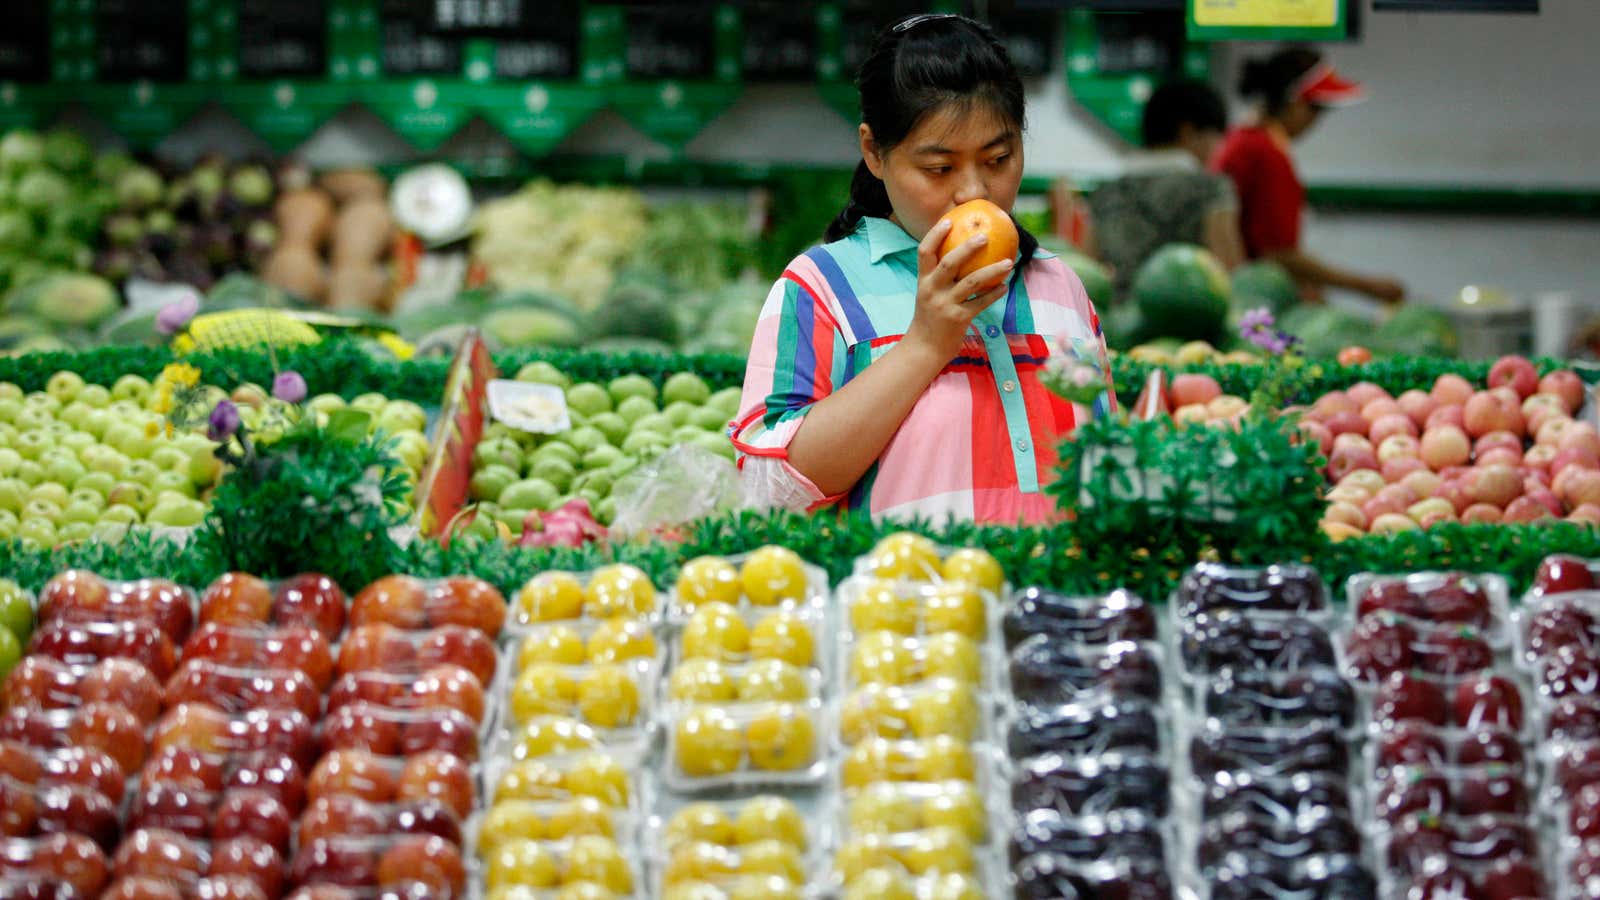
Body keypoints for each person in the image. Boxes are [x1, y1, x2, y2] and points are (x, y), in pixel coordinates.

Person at [731, 13, 1114, 525]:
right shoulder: (820, 288)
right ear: (875, 152)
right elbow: (768, 490)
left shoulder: (1059, 285)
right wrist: (926, 344)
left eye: (998, 159)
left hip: (1055, 598)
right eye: (939, 168)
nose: (973, 192)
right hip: (904, 600)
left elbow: (1108, 456)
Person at [1212, 46, 1406, 304]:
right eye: (1317, 109)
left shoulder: (1241, 140)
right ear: (1294, 103)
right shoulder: (1265, 152)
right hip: (1251, 301)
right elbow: (1276, 253)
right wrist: (1365, 285)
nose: (1317, 122)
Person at [1086, 79, 1246, 296]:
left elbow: (1089, 274)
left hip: (1120, 321)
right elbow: (1230, 269)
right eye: (1215, 138)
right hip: (1191, 317)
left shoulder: (1107, 192)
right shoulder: (1211, 188)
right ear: (1188, 131)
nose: (1217, 149)